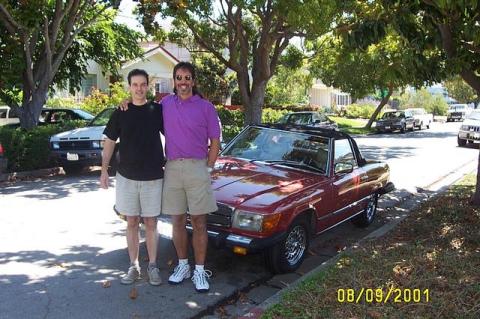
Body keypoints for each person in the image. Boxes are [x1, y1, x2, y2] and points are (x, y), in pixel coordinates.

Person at [121, 62, 221, 292]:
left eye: (187, 78)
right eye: (179, 78)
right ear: (174, 81)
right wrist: (125, 103)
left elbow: (215, 141)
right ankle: (183, 265)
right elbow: (142, 106)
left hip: (198, 167)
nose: (183, 82)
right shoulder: (165, 104)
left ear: (193, 81)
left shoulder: (206, 107)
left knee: (198, 222)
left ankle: (199, 270)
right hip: (173, 168)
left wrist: (209, 167)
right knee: (177, 220)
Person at [100, 69, 165, 286]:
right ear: (129, 86)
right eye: (135, 84)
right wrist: (103, 170)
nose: (139, 88)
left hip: (153, 176)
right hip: (126, 176)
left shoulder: (158, 110)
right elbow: (109, 141)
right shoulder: (121, 112)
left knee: (151, 223)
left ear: (148, 86)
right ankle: (133, 266)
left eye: (142, 84)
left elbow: (175, 133)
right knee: (131, 222)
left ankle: (153, 266)